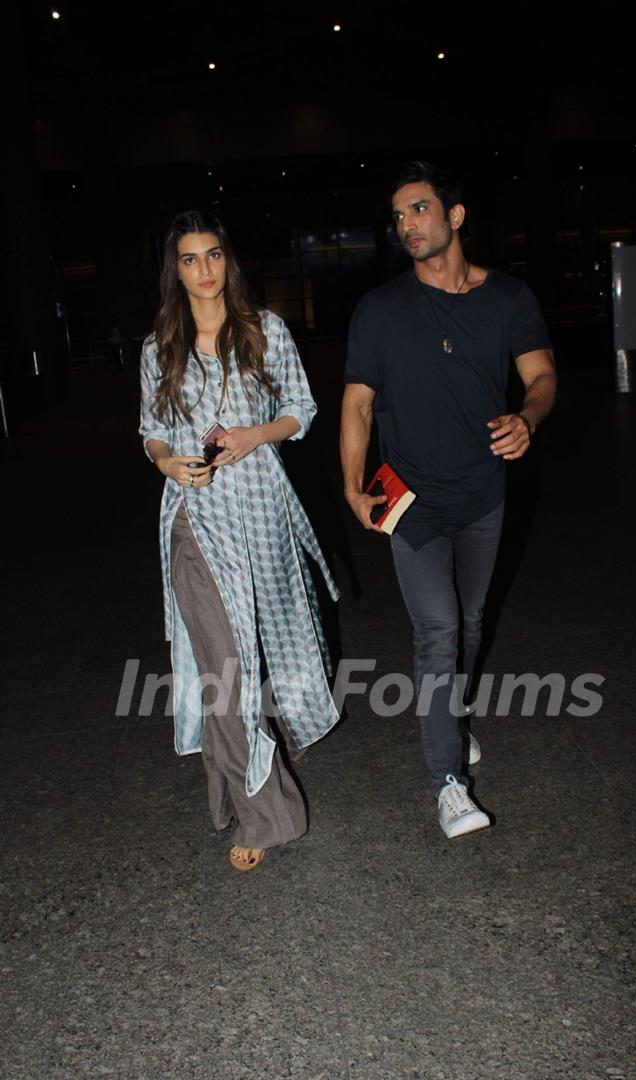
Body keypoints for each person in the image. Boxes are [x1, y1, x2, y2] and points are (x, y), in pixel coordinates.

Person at [340, 162, 557, 839]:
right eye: (398, 216)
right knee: (436, 632)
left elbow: (543, 375)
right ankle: (447, 781)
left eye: (420, 210)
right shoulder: (380, 310)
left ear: (455, 215)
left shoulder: (509, 299)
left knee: (468, 623)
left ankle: (452, 724)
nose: (407, 224)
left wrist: (528, 416)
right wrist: (352, 485)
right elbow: (357, 404)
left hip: (483, 492)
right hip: (407, 496)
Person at [140, 209, 339, 871]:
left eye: (213, 255)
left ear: (229, 261)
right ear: (176, 269)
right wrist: (168, 462)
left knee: (261, 654)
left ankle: (231, 787)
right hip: (192, 521)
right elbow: (152, 431)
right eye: (189, 259)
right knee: (222, 669)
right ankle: (264, 811)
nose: (203, 270)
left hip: (260, 513)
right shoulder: (157, 347)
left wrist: (255, 435)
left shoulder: (265, 331)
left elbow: (301, 411)